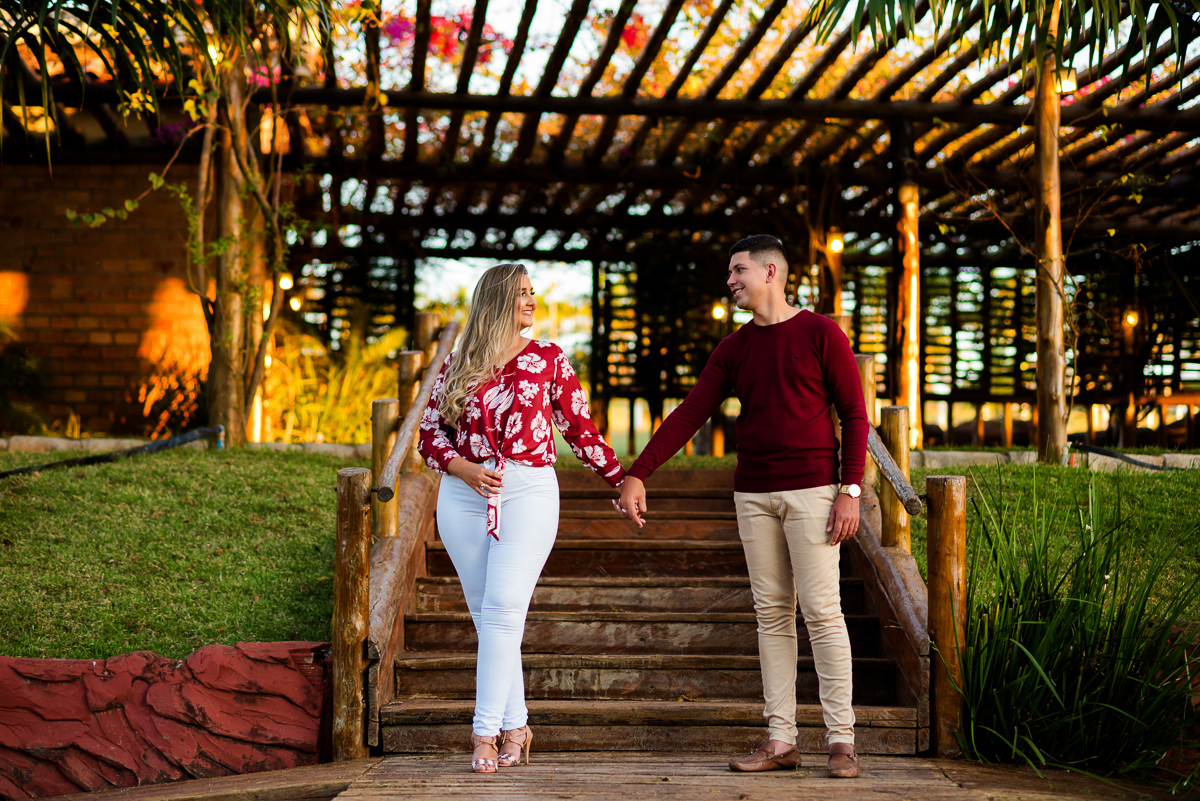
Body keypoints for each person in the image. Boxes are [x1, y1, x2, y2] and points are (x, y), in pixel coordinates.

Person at [614, 235, 869, 778]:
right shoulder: (733, 348)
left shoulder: (822, 333)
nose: (730, 281)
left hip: (814, 492)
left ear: (771, 271)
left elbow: (854, 414)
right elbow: (690, 413)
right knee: (772, 616)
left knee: (822, 613)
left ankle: (841, 740)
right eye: (730, 272)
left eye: (738, 270)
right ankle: (781, 740)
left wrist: (850, 491)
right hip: (753, 494)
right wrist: (638, 472)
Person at [418, 263, 626, 774]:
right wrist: (462, 468)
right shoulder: (458, 361)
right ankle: (518, 726)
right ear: (494, 303)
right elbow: (429, 434)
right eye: (520, 295)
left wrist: (621, 479)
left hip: (528, 490)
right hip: (463, 496)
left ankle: (484, 733)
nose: (531, 302)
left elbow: (579, 429)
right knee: (489, 618)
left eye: (533, 293)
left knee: (505, 609)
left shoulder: (548, 360)